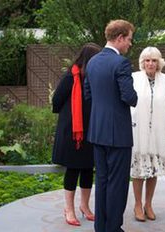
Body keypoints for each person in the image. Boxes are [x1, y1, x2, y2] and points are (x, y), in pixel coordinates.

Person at [83, 19, 137, 232]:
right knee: (118, 183)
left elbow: (88, 95)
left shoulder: (93, 62)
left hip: (97, 132)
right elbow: (129, 97)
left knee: (103, 181)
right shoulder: (121, 63)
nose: (130, 45)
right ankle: (113, 228)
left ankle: (101, 227)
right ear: (120, 38)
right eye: (129, 40)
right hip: (118, 134)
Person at [52, 43, 102, 227]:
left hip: (90, 130)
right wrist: (71, 115)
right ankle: (69, 208)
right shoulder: (70, 77)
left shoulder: (93, 78)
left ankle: (84, 206)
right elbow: (55, 102)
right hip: (73, 132)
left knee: (88, 168)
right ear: (89, 59)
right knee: (73, 169)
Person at [130, 46, 165, 222]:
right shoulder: (134, 78)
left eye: (154, 60)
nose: (150, 63)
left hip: (158, 130)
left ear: (159, 62)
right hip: (139, 129)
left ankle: (149, 204)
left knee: (154, 168)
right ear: (142, 62)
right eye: (147, 60)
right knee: (139, 168)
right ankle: (137, 204)